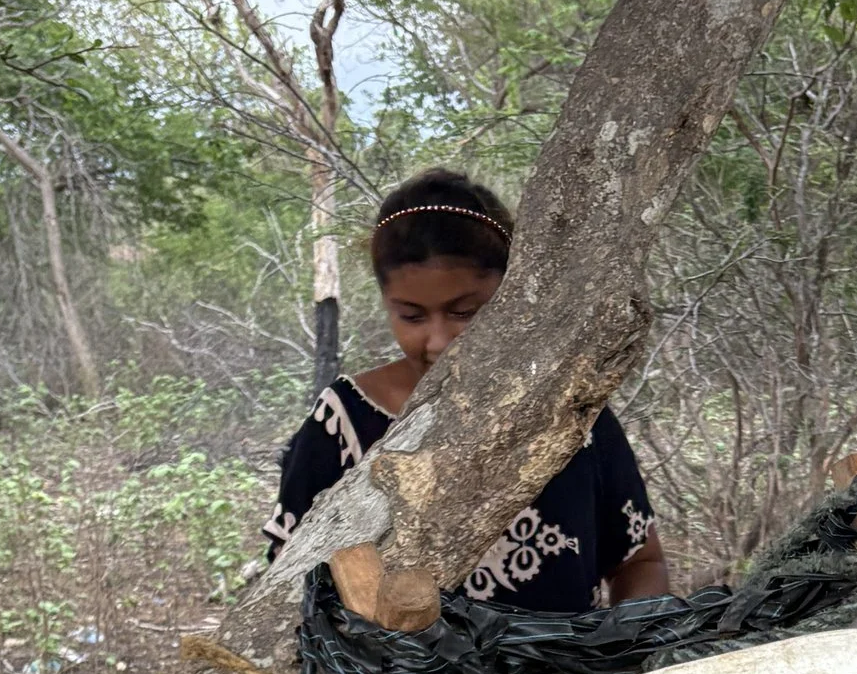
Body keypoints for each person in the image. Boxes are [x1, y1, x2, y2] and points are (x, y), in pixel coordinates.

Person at [265, 168, 671, 609]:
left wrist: (624, 654)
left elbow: (639, 562)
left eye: (464, 313)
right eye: (412, 317)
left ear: (512, 293)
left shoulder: (571, 408)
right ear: (386, 304)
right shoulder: (343, 422)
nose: (439, 342)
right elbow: (291, 587)